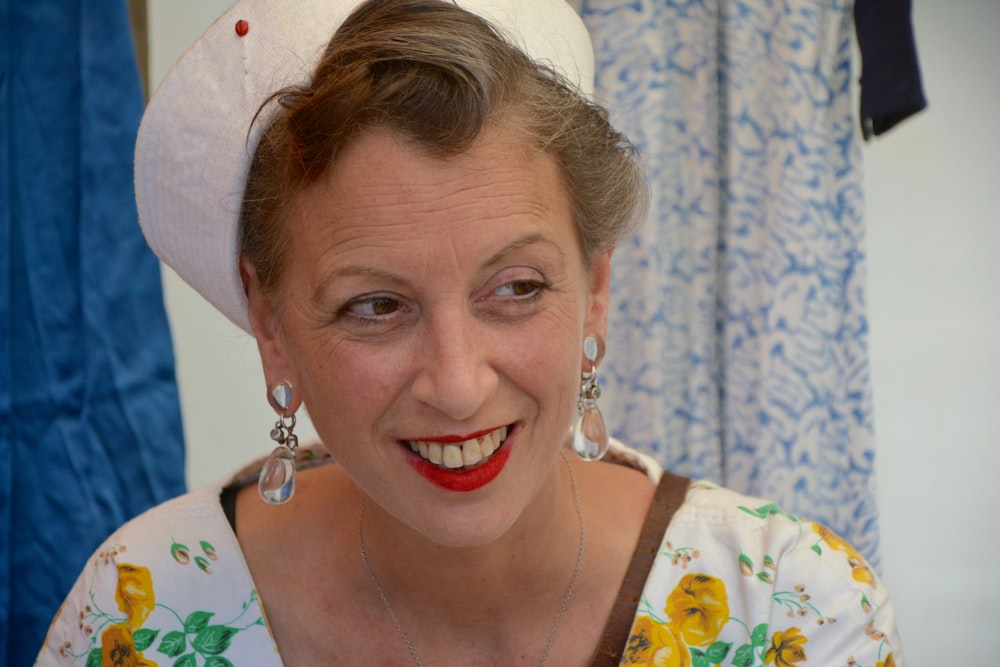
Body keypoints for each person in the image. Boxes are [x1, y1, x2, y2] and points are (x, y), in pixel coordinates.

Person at [35, 0, 903, 665]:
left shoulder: (794, 610)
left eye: (517, 288)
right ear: (271, 324)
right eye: (376, 306)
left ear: (595, 287)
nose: (457, 384)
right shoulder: (141, 613)